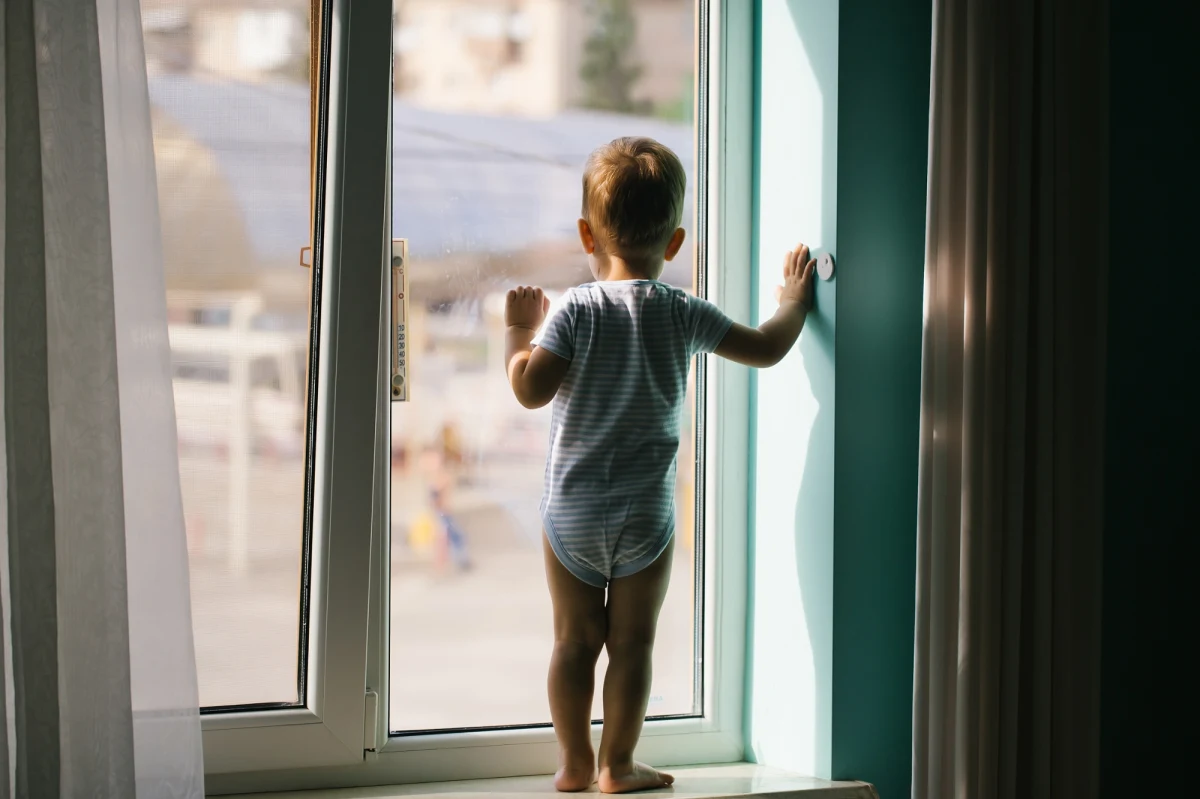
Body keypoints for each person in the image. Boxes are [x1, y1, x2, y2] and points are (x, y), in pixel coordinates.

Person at [504, 137, 815, 793]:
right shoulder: (682, 312)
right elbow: (764, 348)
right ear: (674, 243)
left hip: (574, 511)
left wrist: (518, 333)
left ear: (587, 233)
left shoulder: (575, 310)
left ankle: (574, 763)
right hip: (646, 515)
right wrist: (793, 301)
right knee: (633, 645)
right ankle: (618, 763)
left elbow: (530, 390)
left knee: (573, 641)